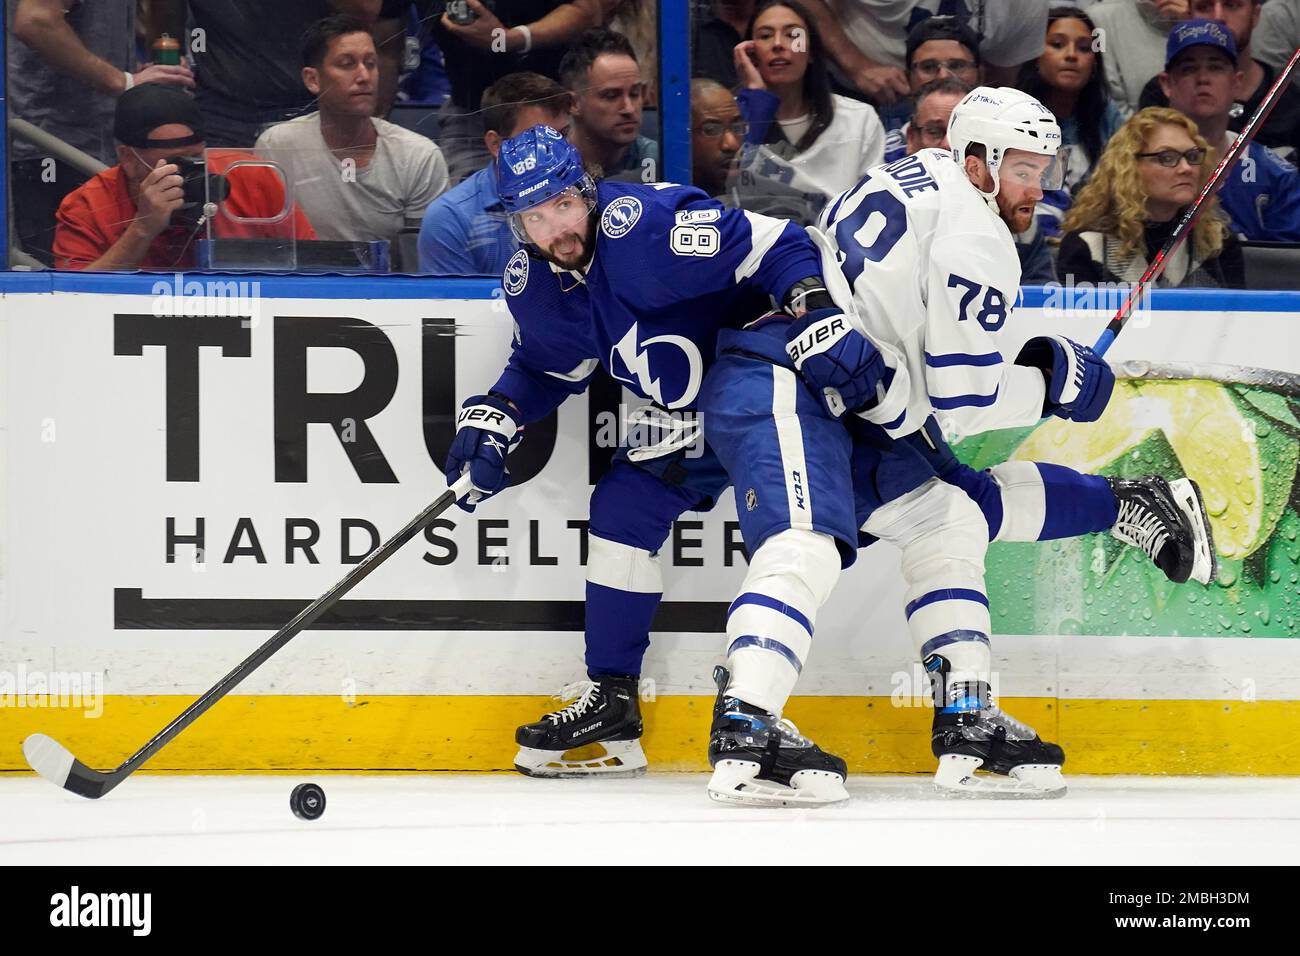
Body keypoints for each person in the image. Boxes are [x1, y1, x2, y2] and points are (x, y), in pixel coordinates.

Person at [808, 86, 1216, 794]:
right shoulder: (977, 234)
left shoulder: (911, 172)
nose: (1039, 189)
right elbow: (963, 408)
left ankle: (966, 711)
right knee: (951, 515)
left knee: (956, 511)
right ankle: (751, 722)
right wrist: (1049, 385)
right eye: (1024, 169)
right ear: (978, 163)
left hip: (838, 383)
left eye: (1046, 170)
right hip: (844, 405)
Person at [444, 126, 852, 799]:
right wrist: (495, 418)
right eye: (536, 217)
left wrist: (810, 306)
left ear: (587, 190)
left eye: (564, 206)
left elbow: (780, 245)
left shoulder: (647, 229)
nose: (556, 229)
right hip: (700, 418)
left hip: (769, 390)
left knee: (822, 527)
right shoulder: (535, 283)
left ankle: (757, 713)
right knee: (623, 507)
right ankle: (613, 704)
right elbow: (545, 367)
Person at [53, 84, 318, 271]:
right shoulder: (86, 207)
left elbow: (310, 263)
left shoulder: (252, 177)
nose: (187, 172)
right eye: (172, 163)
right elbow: (74, 300)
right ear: (128, 159)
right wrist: (142, 229)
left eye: (194, 158)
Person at [8, 0, 194, 264]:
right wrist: (123, 80)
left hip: (108, 139)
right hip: (52, 147)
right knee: (65, 288)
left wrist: (144, 73)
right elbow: (35, 21)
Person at [254, 15, 448, 246]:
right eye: (347, 64)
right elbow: (261, 250)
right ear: (313, 79)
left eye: (370, 64)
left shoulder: (419, 156)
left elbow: (421, 262)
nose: (364, 77)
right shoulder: (277, 147)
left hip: (387, 281)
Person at [1057, 107, 1244, 286]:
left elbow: (1238, 317)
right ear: (1129, 168)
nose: (1186, 168)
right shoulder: (1088, 246)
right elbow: (1080, 319)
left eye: (1192, 157)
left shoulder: (1216, 243)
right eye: (1167, 158)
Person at [734, 0, 886, 215]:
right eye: (765, 36)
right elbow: (732, 188)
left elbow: (873, 207)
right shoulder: (731, 118)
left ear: (812, 50)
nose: (778, 44)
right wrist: (756, 102)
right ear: (750, 52)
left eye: (793, 35)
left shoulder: (859, 119)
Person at [434, 0, 607, 184]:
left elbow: (588, 10)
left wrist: (511, 39)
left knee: (572, 196)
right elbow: (398, 24)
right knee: (470, 205)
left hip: (555, 112)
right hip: (472, 116)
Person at [1159, 18, 1300, 241]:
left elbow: (1285, 270)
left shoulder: (1277, 176)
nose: (1203, 79)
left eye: (1215, 67)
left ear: (1237, 83)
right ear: (1167, 84)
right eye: (1189, 68)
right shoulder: (1135, 165)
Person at [418, 72, 572, 275]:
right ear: (496, 145)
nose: (555, 152)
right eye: (536, 140)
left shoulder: (585, 198)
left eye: (562, 136)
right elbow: (455, 306)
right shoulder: (450, 219)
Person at [184, 0, 382, 147]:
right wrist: (169, 49)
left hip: (307, 105)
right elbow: (164, 17)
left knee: (310, 201)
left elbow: (366, 10)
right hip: (221, 108)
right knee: (218, 199)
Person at [1138, 1, 1300, 163]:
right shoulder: (1159, 95)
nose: (1218, 17)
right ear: (1189, 16)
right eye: (1204, 7)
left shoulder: (1291, 102)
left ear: (1255, 14)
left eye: (1232, 5)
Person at [1017, 6, 1124, 236]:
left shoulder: (1108, 118)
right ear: (1035, 55)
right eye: (1057, 44)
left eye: (1084, 48)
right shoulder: (1013, 114)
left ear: (1094, 63)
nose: (1071, 55)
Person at [559, 29, 659, 180]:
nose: (629, 109)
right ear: (573, 103)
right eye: (611, 96)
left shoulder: (661, 161)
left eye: (634, 93)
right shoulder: (548, 169)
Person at [882, 16, 982, 162]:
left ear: (981, 75)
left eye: (957, 65)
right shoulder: (882, 160)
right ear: (908, 77)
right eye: (928, 67)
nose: (943, 76)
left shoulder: (1012, 144)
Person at [1085, 0, 1190, 117]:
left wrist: (1194, 25)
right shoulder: (1100, 20)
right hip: (1132, 132)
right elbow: (1109, 110)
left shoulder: (1206, 13)